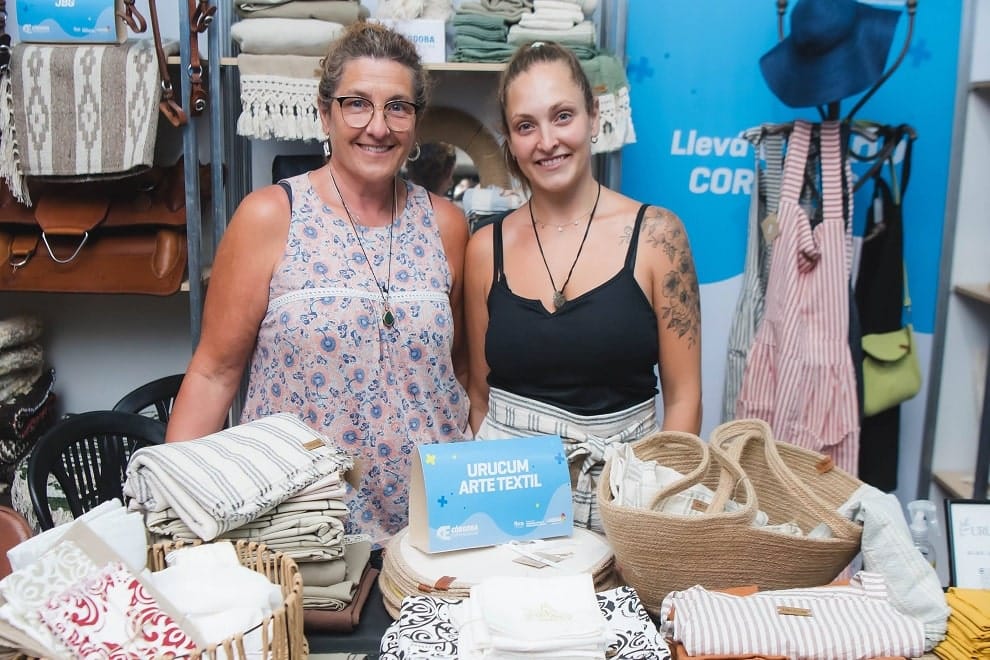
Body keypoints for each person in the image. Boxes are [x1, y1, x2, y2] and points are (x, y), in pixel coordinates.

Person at [166, 22, 471, 547]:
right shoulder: (270, 216)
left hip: (430, 530)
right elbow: (214, 374)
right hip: (304, 530)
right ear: (324, 111)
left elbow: (460, 371)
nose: (378, 126)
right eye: (357, 103)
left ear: (416, 123)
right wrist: (173, 516)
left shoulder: (446, 224)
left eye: (398, 107)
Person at [464, 42, 702, 533]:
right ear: (510, 139)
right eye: (526, 126)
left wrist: (647, 506)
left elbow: (684, 400)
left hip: (626, 499)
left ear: (594, 115)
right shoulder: (486, 249)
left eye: (563, 116)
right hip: (508, 504)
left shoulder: (658, 236)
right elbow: (480, 394)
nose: (547, 141)